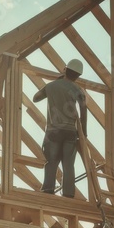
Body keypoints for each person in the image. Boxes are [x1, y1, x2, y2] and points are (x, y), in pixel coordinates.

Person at [32, 58, 87, 197]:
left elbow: (35, 98)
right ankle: (68, 194)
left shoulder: (51, 86)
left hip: (53, 131)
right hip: (70, 132)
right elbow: (83, 110)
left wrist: (55, 83)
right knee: (68, 165)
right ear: (78, 76)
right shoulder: (77, 89)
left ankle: (48, 190)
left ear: (65, 70)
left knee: (51, 162)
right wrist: (84, 133)